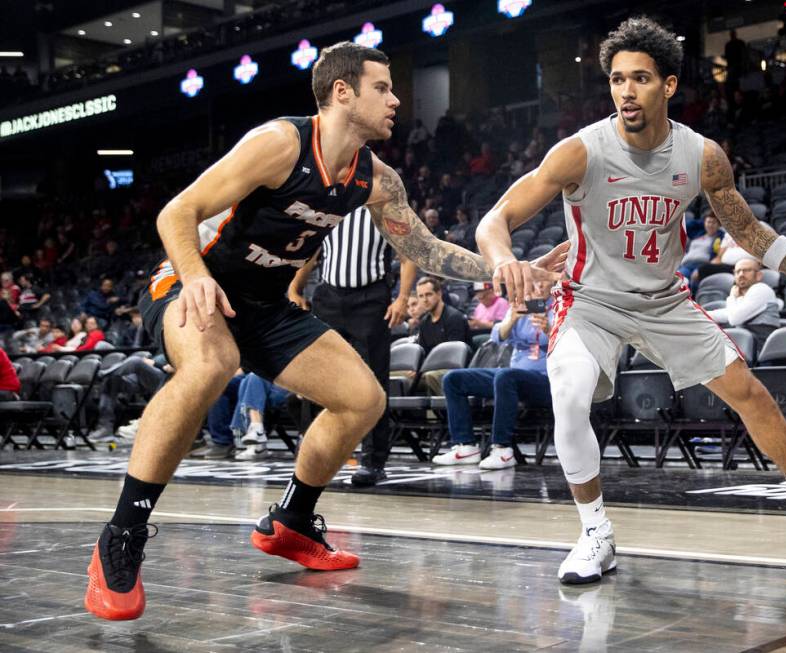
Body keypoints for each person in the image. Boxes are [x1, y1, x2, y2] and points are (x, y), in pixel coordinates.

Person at [84, 41, 559, 621]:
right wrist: (194, 276)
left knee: (363, 399)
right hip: (193, 281)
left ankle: (291, 519)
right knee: (212, 364)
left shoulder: (376, 180)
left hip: (264, 303)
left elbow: (426, 249)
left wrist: (506, 268)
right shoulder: (279, 143)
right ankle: (121, 535)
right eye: (382, 88)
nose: (396, 99)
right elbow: (175, 213)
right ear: (342, 92)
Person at [475, 17, 786, 586]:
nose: (626, 91)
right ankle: (595, 531)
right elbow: (494, 220)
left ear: (668, 86)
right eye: (617, 79)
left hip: (664, 297)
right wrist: (504, 261)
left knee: (749, 391)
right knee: (569, 397)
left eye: (640, 78)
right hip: (589, 299)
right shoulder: (579, 153)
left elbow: (749, 232)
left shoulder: (702, 155)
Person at [288, 204, 419, 487]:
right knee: (318, 378)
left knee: (374, 381)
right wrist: (294, 288)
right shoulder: (328, 208)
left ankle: (373, 461)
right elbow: (310, 252)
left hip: (370, 300)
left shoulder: (383, 211)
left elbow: (408, 255)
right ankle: (314, 452)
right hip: (328, 298)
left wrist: (403, 297)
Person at [434, 280, 554, 470]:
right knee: (453, 379)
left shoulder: (562, 305)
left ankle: (502, 449)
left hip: (546, 379)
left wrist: (550, 329)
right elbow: (497, 336)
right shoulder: (519, 304)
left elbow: (571, 341)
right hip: (512, 377)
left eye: (540, 284)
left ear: (551, 284)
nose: (535, 289)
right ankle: (466, 446)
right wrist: (512, 318)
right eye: (531, 285)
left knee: (506, 376)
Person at [706, 258, 780, 354]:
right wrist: (699, 314)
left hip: (761, 351)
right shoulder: (743, 297)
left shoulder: (761, 289)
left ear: (758, 275)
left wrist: (732, 296)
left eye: (747, 270)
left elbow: (733, 319)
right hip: (747, 349)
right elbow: (727, 313)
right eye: (737, 271)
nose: (741, 274)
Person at [416, 276, 470, 394]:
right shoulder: (424, 322)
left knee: (429, 376)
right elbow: (423, 352)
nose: (425, 300)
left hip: (456, 369)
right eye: (421, 296)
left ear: (439, 294)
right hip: (432, 369)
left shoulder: (454, 318)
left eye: (429, 294)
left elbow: (454, 357)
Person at [678, 213, 724, 280]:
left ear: (718, 225)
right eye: (708, 222)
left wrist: (704, 268)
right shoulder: (698, 234)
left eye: (713, 223)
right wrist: (703, 221)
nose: (710, 225)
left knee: (688, 281)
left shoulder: (720, 237)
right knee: (679, 280)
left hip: (701, 266)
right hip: (686, 265)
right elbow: (686, 226)